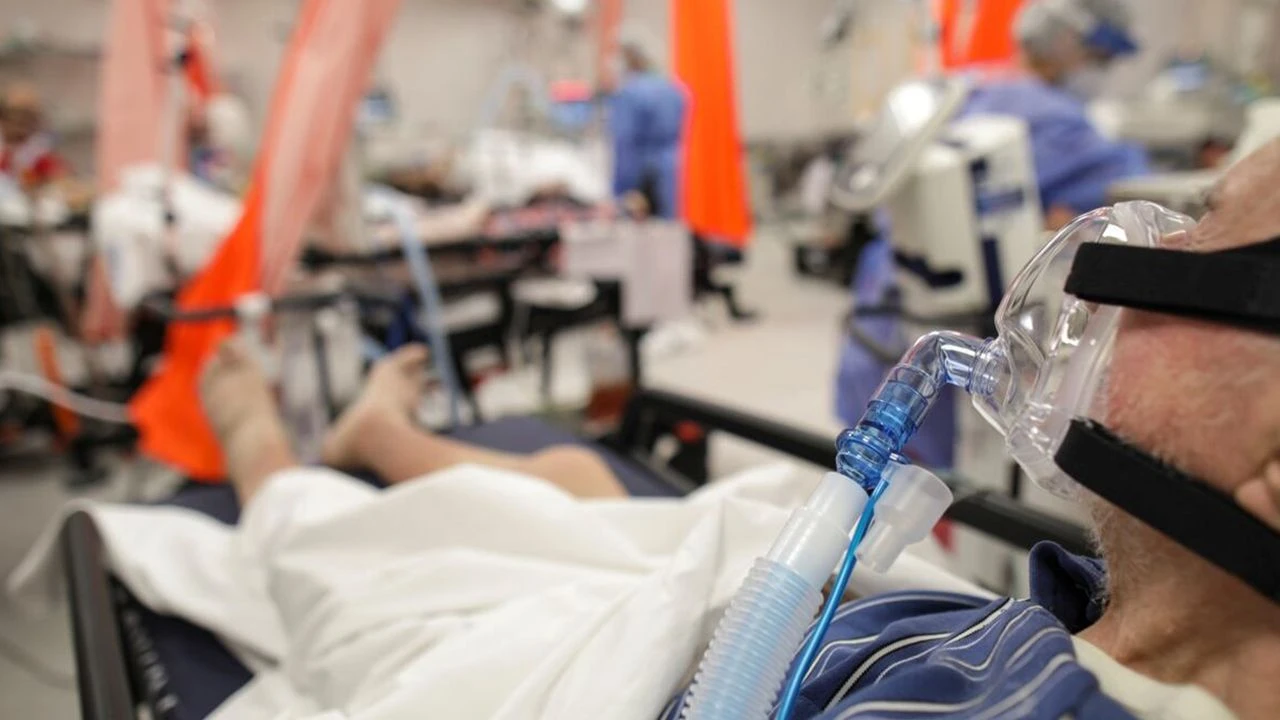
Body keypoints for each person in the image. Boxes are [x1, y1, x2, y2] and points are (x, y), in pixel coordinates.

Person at [186, 139, 1280, 719]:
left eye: (1201, 233)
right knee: (580, 478)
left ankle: (272, 455)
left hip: (588, 667)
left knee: (367, 564)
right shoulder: (1136, 631)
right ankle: (382, 434)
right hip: (750, 610)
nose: (1134, 245)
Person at [837, 0, 1150, 469]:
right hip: (949, 335)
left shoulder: (957, 88)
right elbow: (1139, 194)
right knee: (935, 483)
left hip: (879, 315)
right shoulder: (1057, 121)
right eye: (1099, 58)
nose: (1100, 72)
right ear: (1066, 44)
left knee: (871, 465)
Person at [607, 30, 688, 220]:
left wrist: (621, 191)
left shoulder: (630, 93)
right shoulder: (674, 91)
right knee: (668, 227)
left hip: (642, 175)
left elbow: (625, 142)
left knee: (639, 230)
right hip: (672, 173)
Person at [0, 82, 69, 194]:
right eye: (13, 117)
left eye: (26, 118)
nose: (19, 125)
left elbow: (60, 176)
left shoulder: (38, 151)